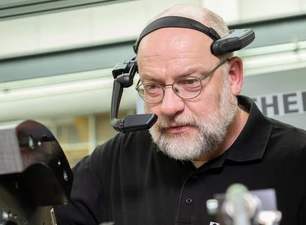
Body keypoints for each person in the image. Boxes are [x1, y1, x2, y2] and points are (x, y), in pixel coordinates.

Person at [54, 3, 306, 225]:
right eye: (152, 86)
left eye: (189, 82)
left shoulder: (296, 161)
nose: (168, 107)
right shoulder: (122, 156)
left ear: (233, 77)